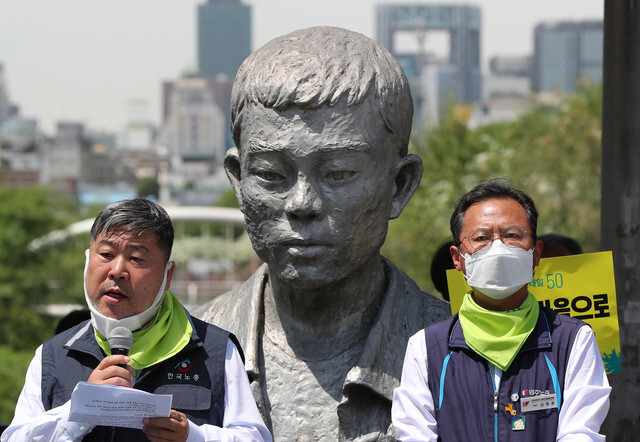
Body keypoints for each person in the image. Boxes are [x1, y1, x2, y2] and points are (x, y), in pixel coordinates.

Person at [193, 26, 450, 440]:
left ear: (398, 186)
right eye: (272, 174)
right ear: (239, 182)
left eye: (338, 173)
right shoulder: (183, 353)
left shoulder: (462, 358)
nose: (302, 204)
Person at [2, 198, 271, 442]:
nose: (117, 271)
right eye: (106, 255)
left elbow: (255, 437)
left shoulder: (215, 350)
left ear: (168, 275)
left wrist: (193, 436)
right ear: (87, 262)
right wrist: (79, 411)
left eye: (136, 258)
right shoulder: (52, 355)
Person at [392, 178, 611, 440]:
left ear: (536, 253)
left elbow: (581, 433)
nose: (498, 248)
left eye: (512, 235)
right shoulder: (427, 348)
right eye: (481, 237)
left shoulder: (573, 340)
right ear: (457, 258)